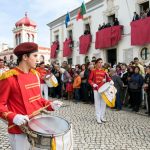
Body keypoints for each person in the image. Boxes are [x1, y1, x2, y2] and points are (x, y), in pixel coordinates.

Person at [0, 42, 63, 150]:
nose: (37, 59)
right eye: (34, 56)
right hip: (19, 129)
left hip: (37, 125)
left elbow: (38, 99)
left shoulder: (35, 75)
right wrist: (13, 117)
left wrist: (50, 105)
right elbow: (1, 104)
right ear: (25, 57)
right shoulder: (9, 77)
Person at [88, 58, 113, 124]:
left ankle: (102, 116)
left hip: (103, 89)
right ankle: (98, 117)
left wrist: (111, 81)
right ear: (96, 64)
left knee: (103, 104)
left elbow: (108, 78)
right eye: (99, 62)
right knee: (97, 104)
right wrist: (93, 84)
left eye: (101, 62)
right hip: (96, 89)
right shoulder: (93, 71)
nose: (100, 64)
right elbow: (89, 80)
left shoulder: (104, 71)